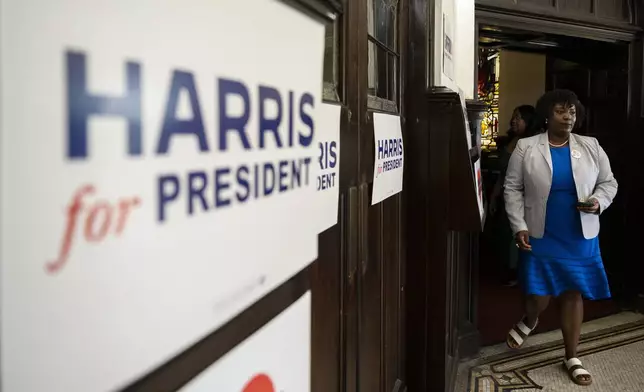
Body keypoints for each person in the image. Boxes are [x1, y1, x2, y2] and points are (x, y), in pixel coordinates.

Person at [503, 89, 617, 387]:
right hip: (541, 231)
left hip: (579, 234)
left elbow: (608, 182)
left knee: (572, 292)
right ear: (546, 115)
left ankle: (572, 356)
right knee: (538, 294)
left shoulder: (590, 146)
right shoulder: (526, 147)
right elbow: (512, 188)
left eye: (573, 112)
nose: (568, 117)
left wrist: (597, 202)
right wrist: (518, 225)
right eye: (560, 111)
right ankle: (530, 320)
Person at [489, 105, 540, 286]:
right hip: (505, 194)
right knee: (503, 235)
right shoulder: (509, 141)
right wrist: (495, 196)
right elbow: (503, 174)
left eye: (518, 117)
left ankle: (519, 273)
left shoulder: (533, 144)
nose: (514, 121)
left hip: (523, 198)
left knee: (518, 236)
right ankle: (506, 271)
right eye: (513, 117)